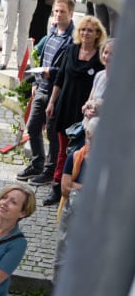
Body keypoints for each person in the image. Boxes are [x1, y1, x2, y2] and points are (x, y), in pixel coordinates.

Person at [43, 15, 105, 206]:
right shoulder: (71, 50)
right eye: (83, 30)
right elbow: (59, 78)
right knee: (62, 151)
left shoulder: (100, 59)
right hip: (65, 105)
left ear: (97, 34)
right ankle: (57, 187)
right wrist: (51, 102)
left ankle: (77, 188)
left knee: (79, 152)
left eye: (90, 30)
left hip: (84, 111)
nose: (86, 33)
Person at [17, 0, 76, 187]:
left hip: (56, 94)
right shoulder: (51, 32)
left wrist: (52, 73)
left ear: (71, 13)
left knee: (52, 133)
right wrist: (35, 81)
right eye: (56, 11)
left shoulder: (72, 40)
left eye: (62, 12)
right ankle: (37, 164)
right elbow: (41, 59)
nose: (58, 15)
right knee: (33, 127)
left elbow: (69, 70)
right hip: (41, 88)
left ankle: (50, 171)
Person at [53, 117, 98, 281]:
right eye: (92, 135)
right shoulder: (76, 157)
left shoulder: (106, 163)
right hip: (72, 214)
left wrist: (78, 186)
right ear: (88, 134)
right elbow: (65, 189)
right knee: (64, 249)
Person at [81, 37, 114, 122]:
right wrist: (87, 111)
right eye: (105, 52)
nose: (107, 57)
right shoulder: (99, 75)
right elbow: (88, 103)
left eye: (112, 54)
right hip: (90, 128)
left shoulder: (122, 80)